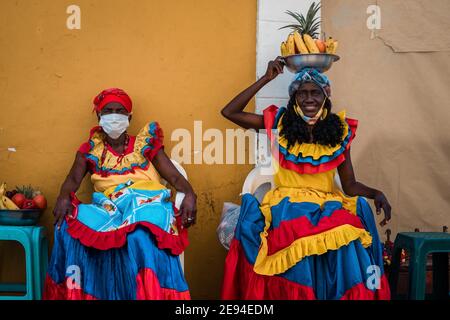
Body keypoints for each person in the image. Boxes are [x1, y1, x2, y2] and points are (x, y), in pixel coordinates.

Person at [220, 58, 392, 300]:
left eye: (315, 93)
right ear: (294, 98)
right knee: (297, 232)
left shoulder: (339, 132)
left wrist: (376, 193)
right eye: (302, 94)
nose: (309, 99)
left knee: (346, 233)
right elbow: (229, 112)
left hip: (327, 204)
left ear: (325, 97)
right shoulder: (280, 124)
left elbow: (350, 185)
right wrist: (266, 78)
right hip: (288, 203)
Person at [44, 88, 197, 300]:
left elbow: (174, 177)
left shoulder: (145, 144)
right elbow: (72, 181)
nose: (114, 116)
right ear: (99, 116)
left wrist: (190, 194)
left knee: (139, 236)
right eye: (108, 111)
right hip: (110, 209)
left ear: (129, 117)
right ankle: (94, 292)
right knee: (66, 228)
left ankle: (146, 294)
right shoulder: (91, 150)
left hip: (147, 204)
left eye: (120, 111)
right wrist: (63, 197)